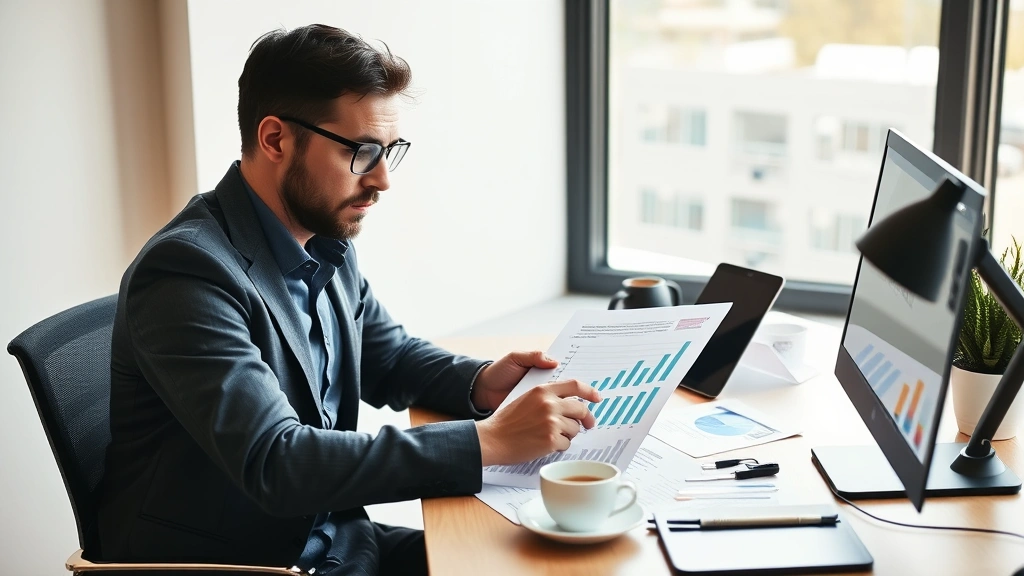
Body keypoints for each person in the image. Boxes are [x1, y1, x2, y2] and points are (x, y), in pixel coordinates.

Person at [96, 23, 601, 576]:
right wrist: (487, 441)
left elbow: (388, 355)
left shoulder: (323, 239)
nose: (382, 180)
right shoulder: (187, 273)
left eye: (389, 152)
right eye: (362, 152)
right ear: (275, 140)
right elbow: (277, 462)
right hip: (255, 562)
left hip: (338, 540)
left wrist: (481, 383)